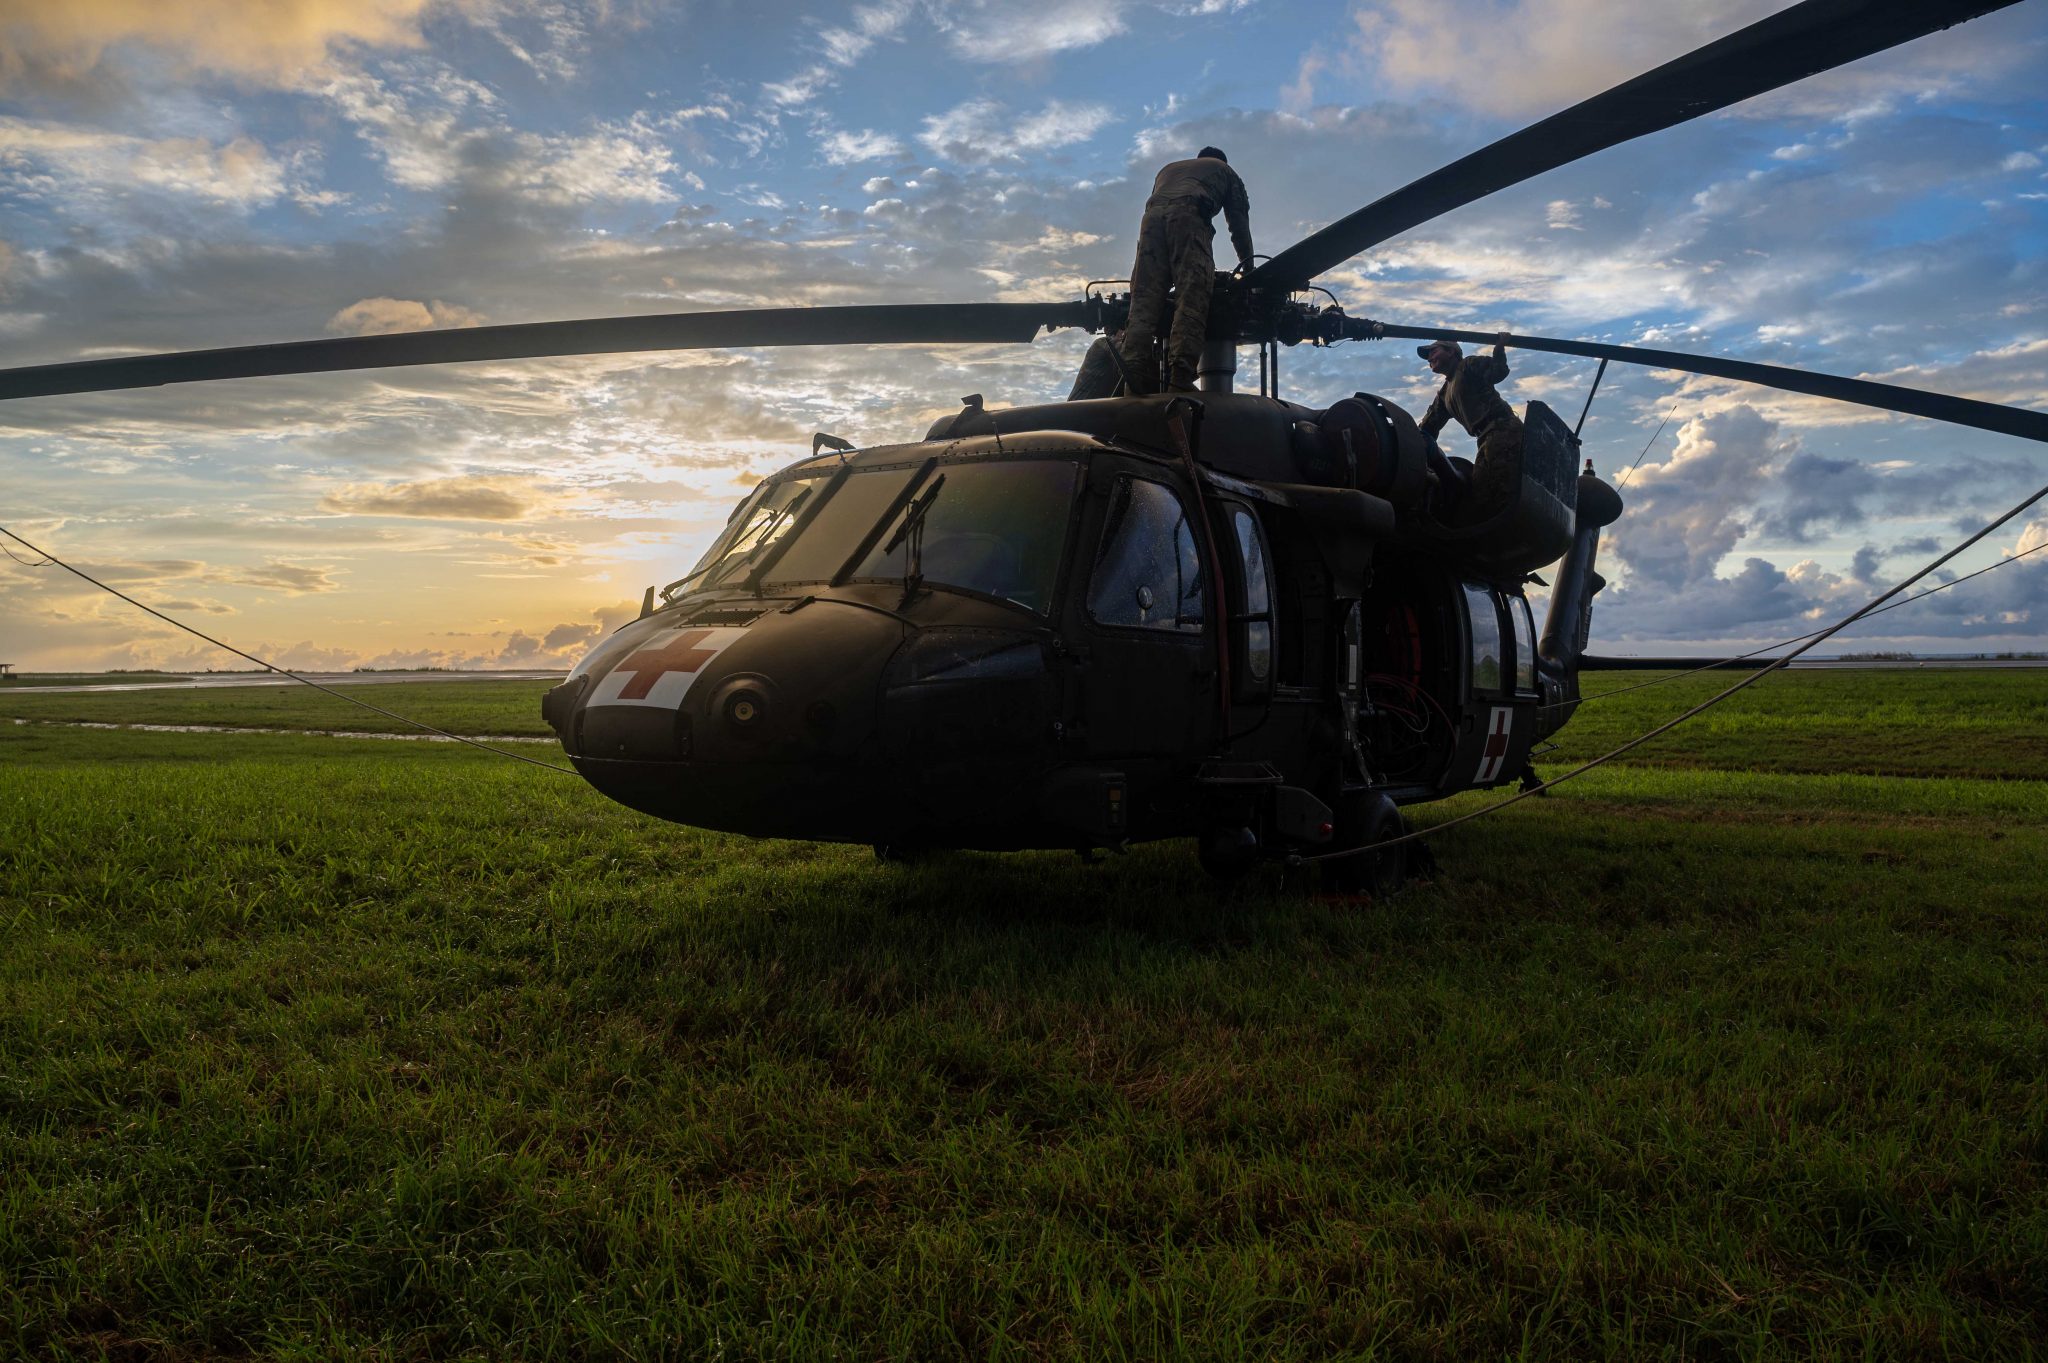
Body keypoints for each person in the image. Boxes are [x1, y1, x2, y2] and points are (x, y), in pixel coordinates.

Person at [1117, 147, 1253, 395]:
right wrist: (1249, 269)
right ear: (1222, 160)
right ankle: (1180, 379)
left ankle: (1132, 379)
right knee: (1192, 297)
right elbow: (1238, 224)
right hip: (1188, 216)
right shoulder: (1225, 171)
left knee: (1143, 303)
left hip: (1150, 221)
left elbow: (1160, 208)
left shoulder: (1168, 170)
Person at [1417, 334, 1524, 520]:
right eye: (1428, 355)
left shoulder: (1467, 366)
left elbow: (1498, 371)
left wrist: (1499, 347)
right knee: (1479, 491)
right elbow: (1427, 429)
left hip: (1503, 429)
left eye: (1433, 351)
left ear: (1451, 352)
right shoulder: (1444, 394)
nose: (1429, 358)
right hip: (1485, 438)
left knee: (1498, 488)